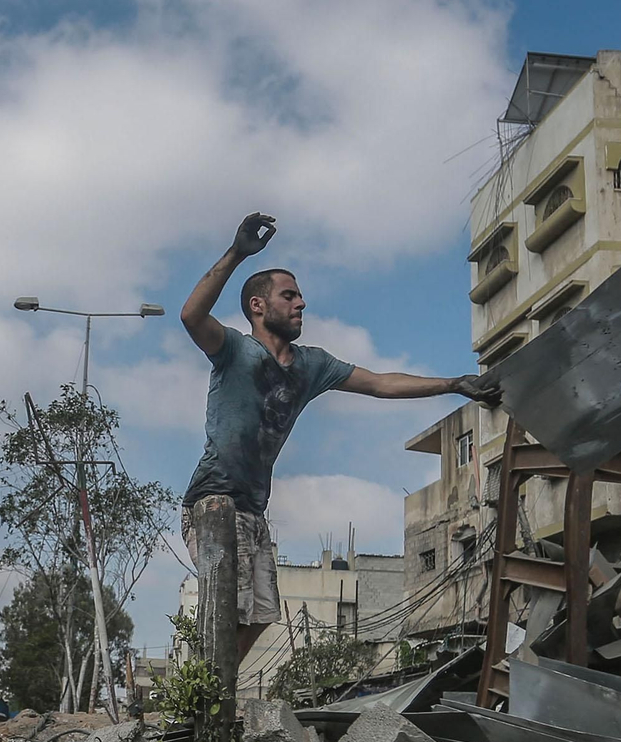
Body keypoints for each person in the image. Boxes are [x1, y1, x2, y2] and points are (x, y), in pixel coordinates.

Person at [178, 212, 499, 660]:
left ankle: (213, 693)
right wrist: (237, 253)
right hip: (213, 500)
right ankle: (202, 702)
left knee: (262, 613)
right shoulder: (234, 349)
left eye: (301, 298)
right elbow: (192, 315)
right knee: (228, 609)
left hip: (253, 505)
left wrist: (452, 384)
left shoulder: (311, 365)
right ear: (257, 305)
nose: (300, 304)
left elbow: (380, 383)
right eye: (288, 296)